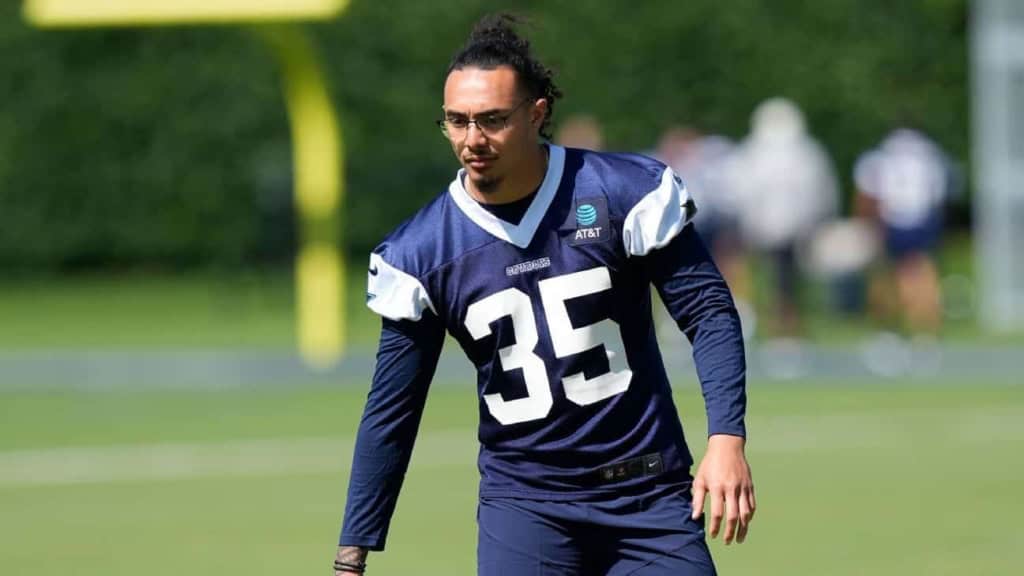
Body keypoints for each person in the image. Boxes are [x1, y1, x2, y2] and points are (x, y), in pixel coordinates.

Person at [334, 14, 754, 576]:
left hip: (648, 491)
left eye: (491, 120)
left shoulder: (618, 193)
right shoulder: (424, 250)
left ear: (537, 114)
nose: (472, 140)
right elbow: (393, 409)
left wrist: (727, 439)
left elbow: (708, 313)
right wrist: (351, 552)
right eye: (456, 122)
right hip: (528, 508)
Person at [728, 98, 838, 337]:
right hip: (790, 227)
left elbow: (739, 192)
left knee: (776, 280)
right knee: (783, 281)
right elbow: (823, 193)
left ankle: (768, 326)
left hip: (769, 227)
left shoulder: (753, 152)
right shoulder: (808, 152)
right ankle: (778, 326)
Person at [853, 128, 954, 335]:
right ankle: (923, 331)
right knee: (919, 275)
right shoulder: (929, 155)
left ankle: (892, 329)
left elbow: (867, 196)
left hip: (890, 222)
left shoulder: (879, 158)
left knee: (888, 277)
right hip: (920, 222)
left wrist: (867, 227)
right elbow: (938, 197)